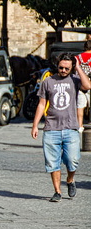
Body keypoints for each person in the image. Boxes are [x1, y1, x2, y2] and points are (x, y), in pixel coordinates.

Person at [31, 53, 91, 202]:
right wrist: (35, 125)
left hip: (71, 128)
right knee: (52, 162)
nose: (63, 70)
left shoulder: (75, 80)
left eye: (66, 68)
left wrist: (77, 66)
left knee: (73, 160)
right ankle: (57, 191)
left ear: (71, 68)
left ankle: (70, 180)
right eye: (61, 67)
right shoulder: (48, 82)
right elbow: (41, 104)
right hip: (51, 128)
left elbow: (88, 85)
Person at [75, 40, 91, 132]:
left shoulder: (77, 57)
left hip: (80, 84)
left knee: (80, 106)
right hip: (89, 83)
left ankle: (80, 125)